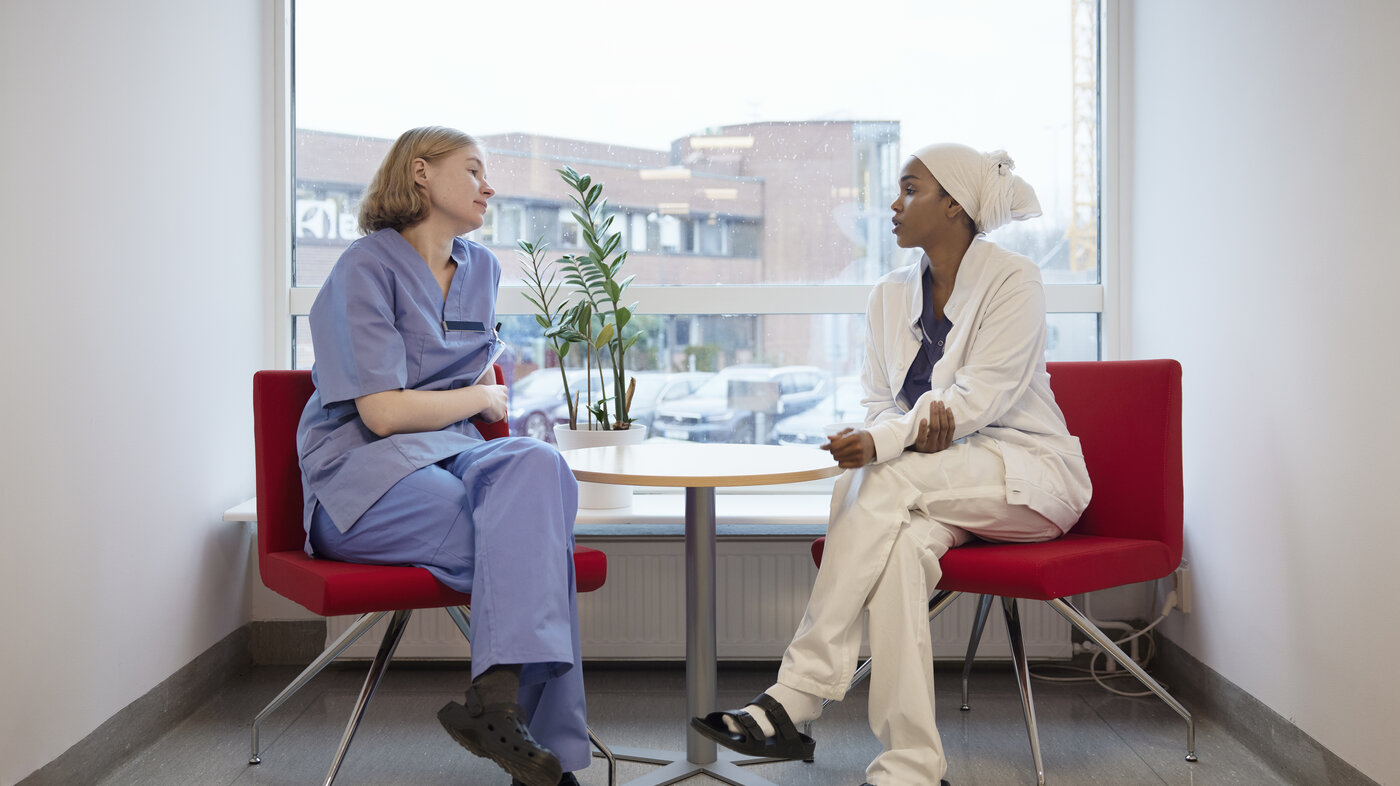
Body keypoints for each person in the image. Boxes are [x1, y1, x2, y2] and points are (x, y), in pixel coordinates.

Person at [692, 143, 1093, 786]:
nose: (893, 204)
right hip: (937, 485)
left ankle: (795, 697)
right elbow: (883, 404)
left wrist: (887, 444)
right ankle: (911, 766)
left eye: (910, 190)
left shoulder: (1014, 279)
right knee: (900, 551)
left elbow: (980, 398)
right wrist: (882, 433)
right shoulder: (888, 295)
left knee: (880, 471)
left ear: (955, 205)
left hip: (1026, 475)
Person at [296, 126, 588, 786]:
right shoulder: (364, 267)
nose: (490, 185)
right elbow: (384, 412)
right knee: (531, 544)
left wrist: (477, 399)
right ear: (421, 173)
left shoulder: (481, 268)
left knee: (540, 467)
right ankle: (551, 758)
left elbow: (467, 384)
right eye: (474, 170)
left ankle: (495, 703)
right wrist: (479, 397)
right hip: (361, 475)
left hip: (449, 453)